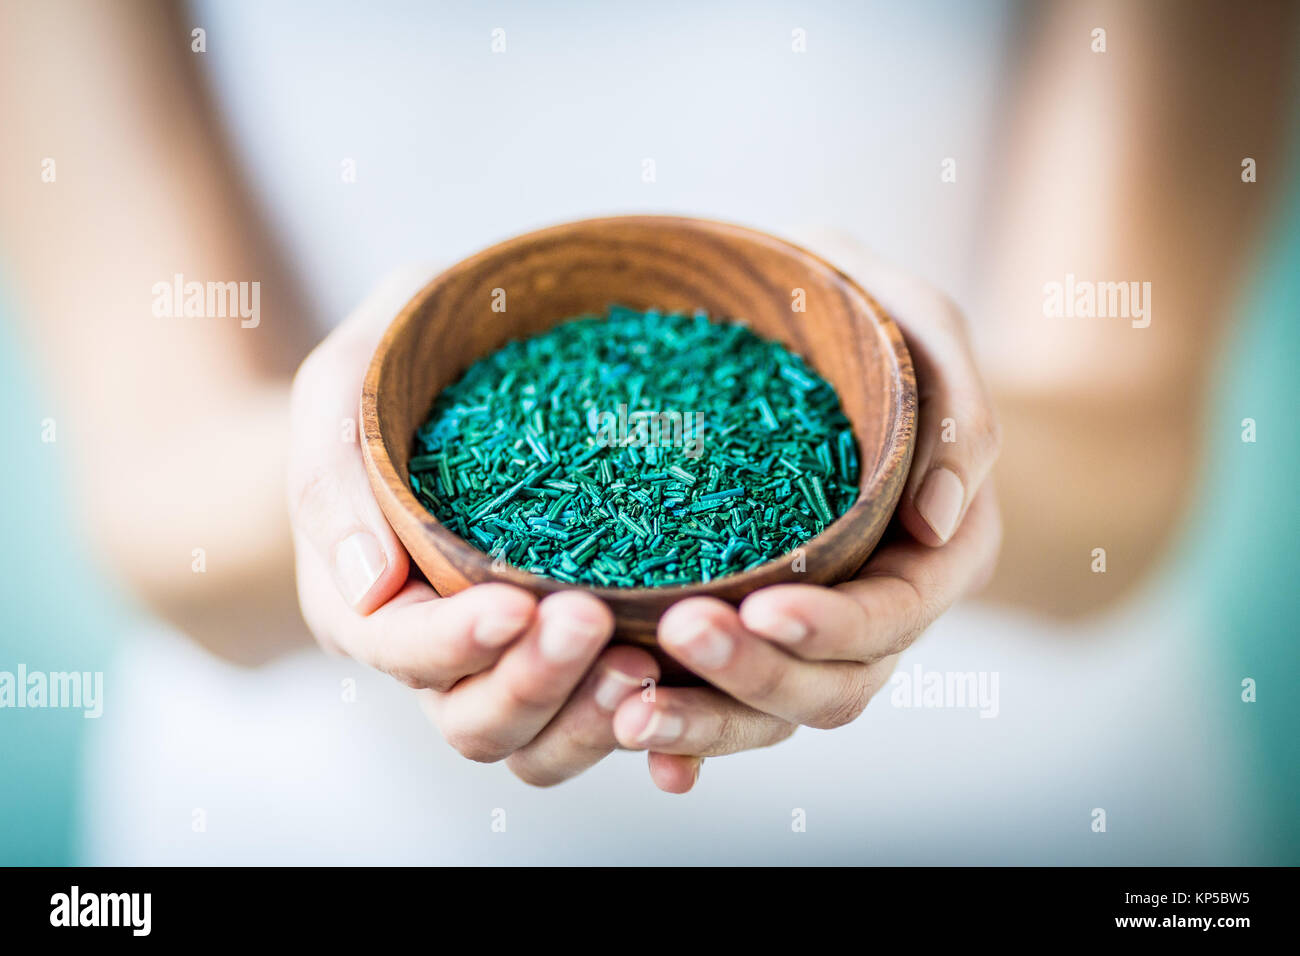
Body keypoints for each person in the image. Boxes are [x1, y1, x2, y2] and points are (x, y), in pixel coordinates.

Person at [1, 0, 1293, 862]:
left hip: (1020, 811)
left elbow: (1137, 461)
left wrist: (947, 454)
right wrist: (341, 507)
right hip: (316, 829)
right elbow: (152, 498)